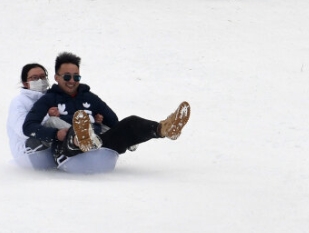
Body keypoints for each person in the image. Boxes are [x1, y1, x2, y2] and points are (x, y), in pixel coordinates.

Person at [22, 52, 190, 165]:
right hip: (68, 150)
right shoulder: (49, 99)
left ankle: (165, 129)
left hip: (100, 142)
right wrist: (55, 134)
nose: (72, 80)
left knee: (130, 122)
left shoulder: (90, 98)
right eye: (67, 76)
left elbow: (115, 123)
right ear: (57, 77)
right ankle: (81, 138)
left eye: (76, 76)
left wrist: (129, 136)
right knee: (65, 125)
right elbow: (28, 126)